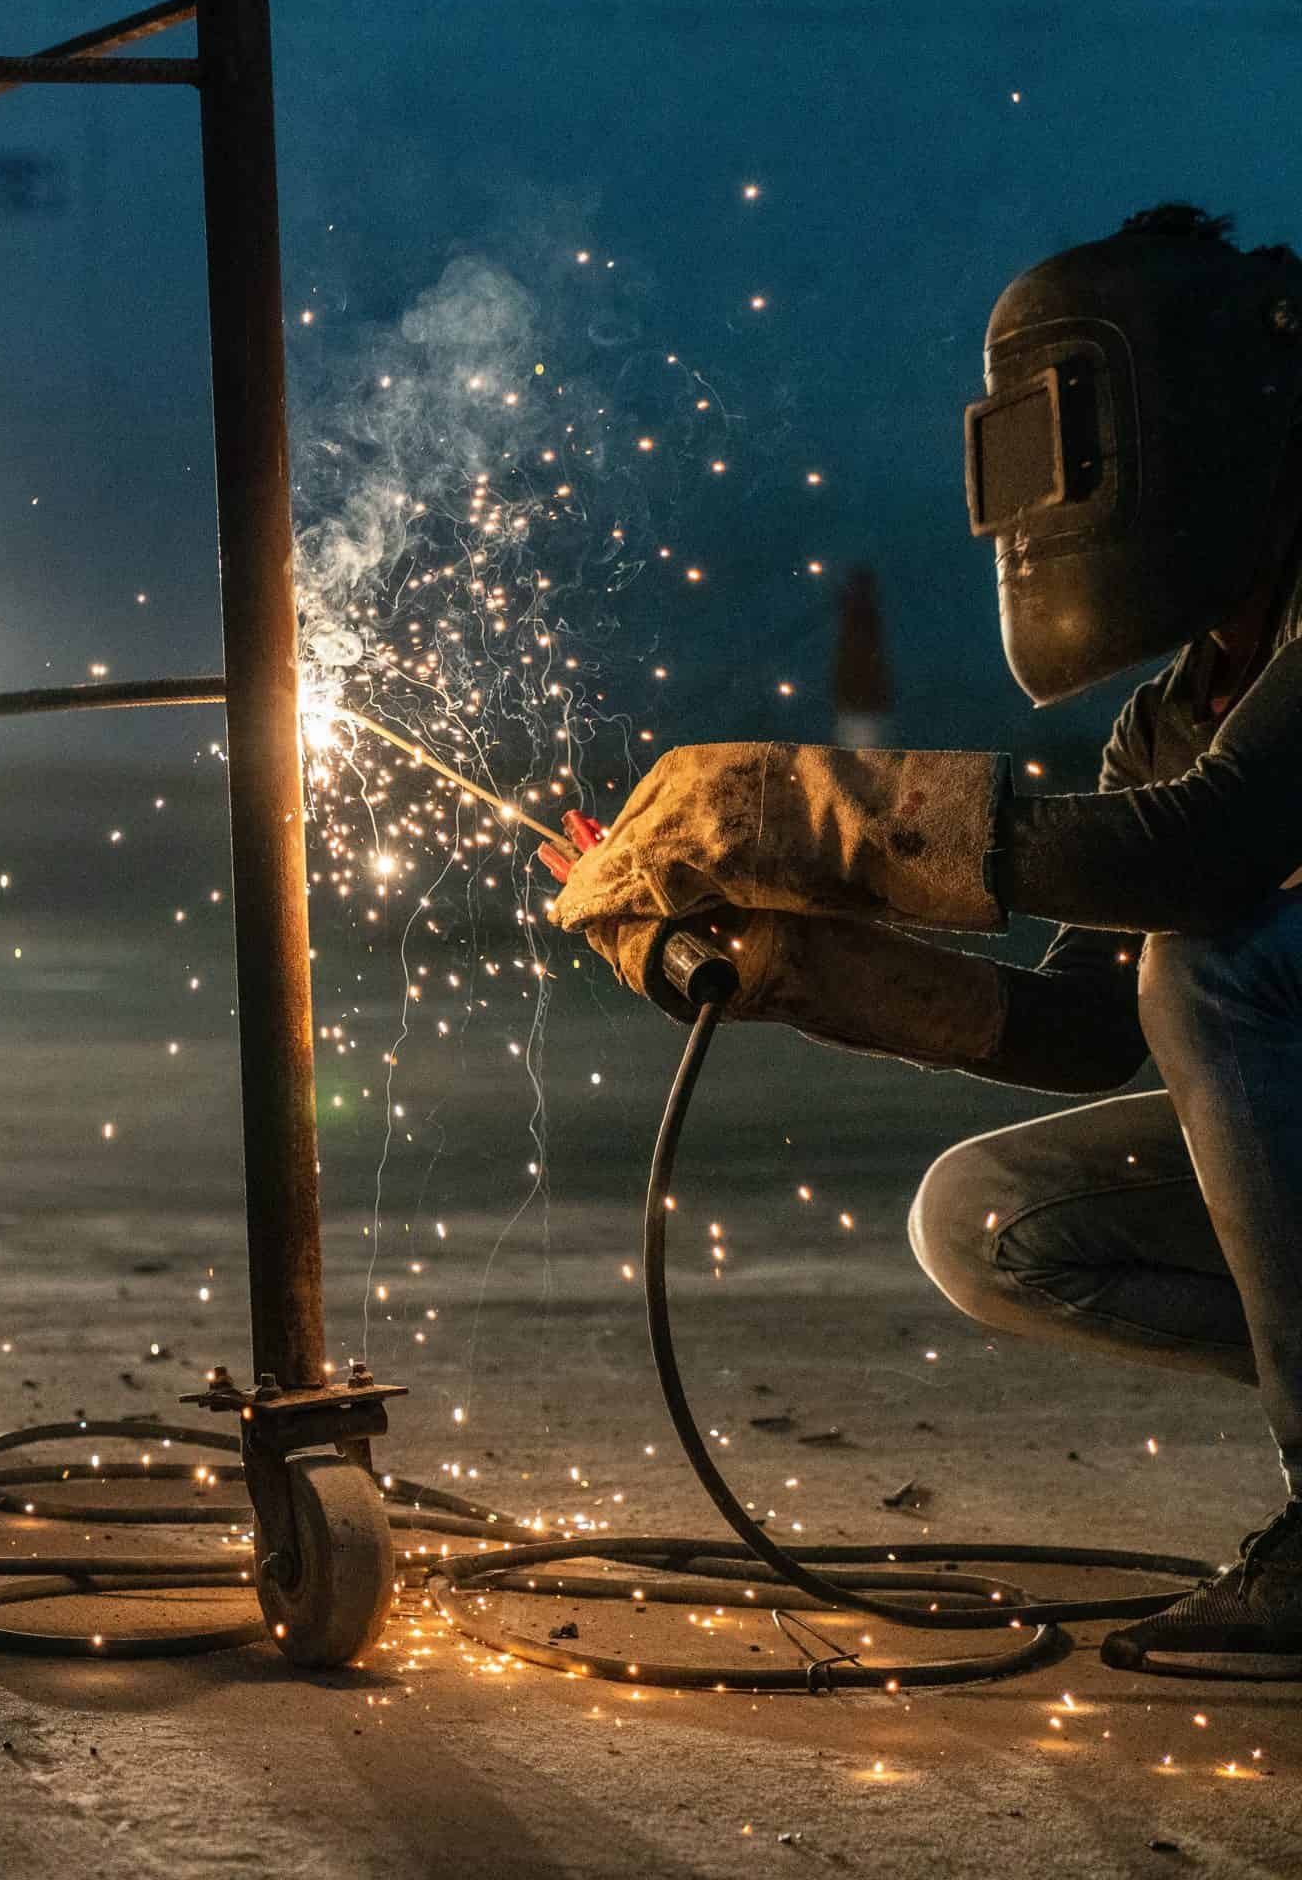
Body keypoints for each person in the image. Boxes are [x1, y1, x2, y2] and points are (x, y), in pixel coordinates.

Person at [551, 202, 1302, 1678]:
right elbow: (1090, 1023)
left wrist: (825, 814)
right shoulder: (1178, 707)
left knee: (1212, 968)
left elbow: (1202, 856)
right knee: (988, 1220)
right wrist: (806, 970)